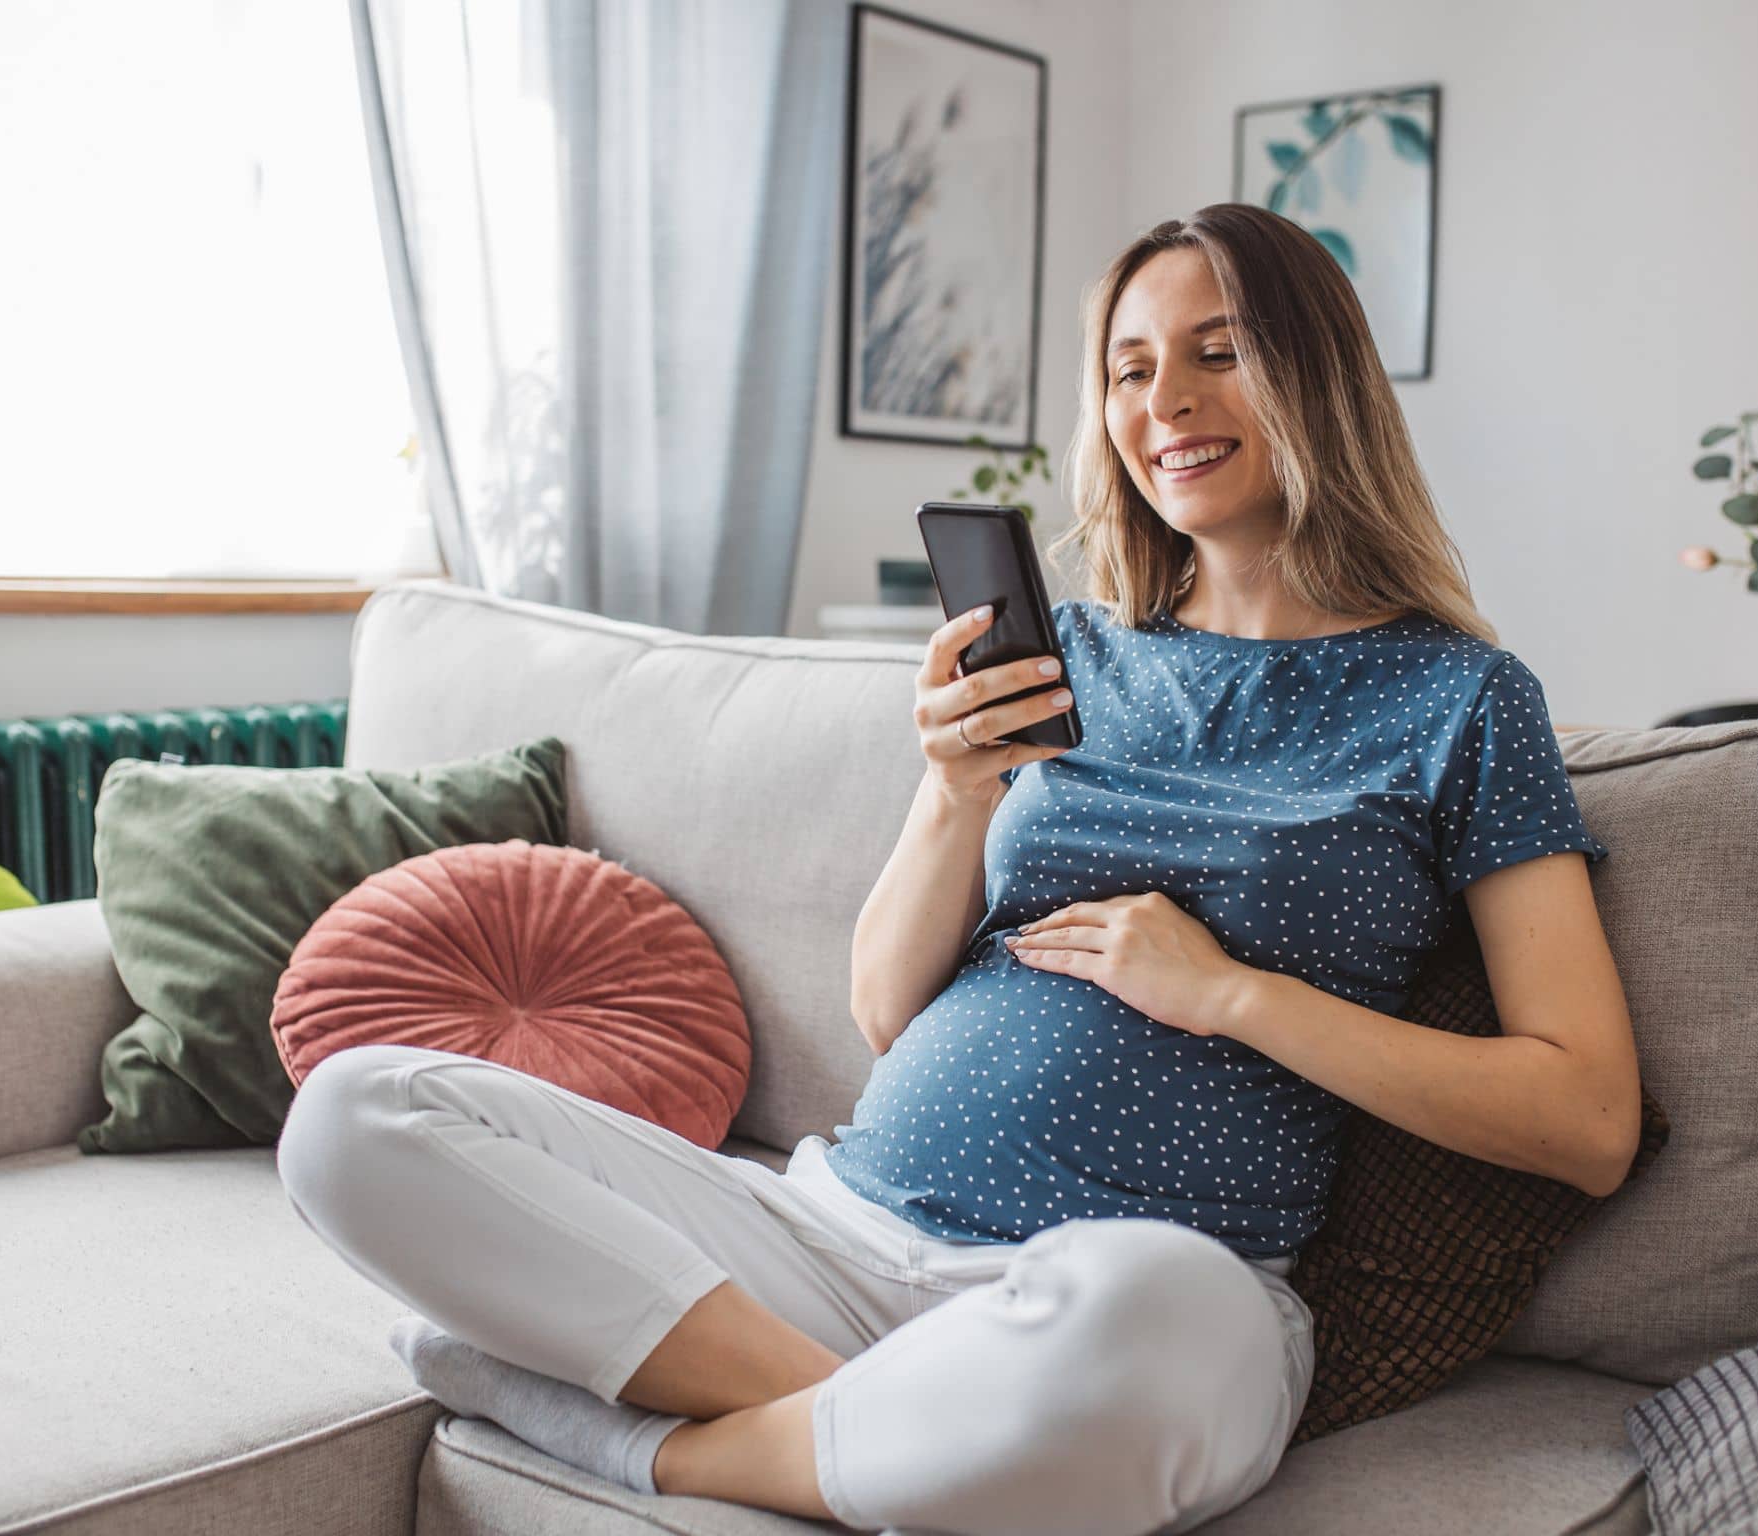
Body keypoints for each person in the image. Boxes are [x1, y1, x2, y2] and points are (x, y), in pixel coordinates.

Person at [276, 202, 1642, 1536]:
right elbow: (883, 1009)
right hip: (832, 1238)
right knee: (356, 1111)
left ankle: (659, 1450)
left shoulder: (1460, 702)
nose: (1165, 398)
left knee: (1157, 1329)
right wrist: (951, 792)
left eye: (1217, 352)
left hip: (1138, 1286)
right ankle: (889, 1432)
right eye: (1130, 367)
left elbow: (1584, 1116)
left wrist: (1230, 995)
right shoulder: (1070, 656)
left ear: (1321, 377)